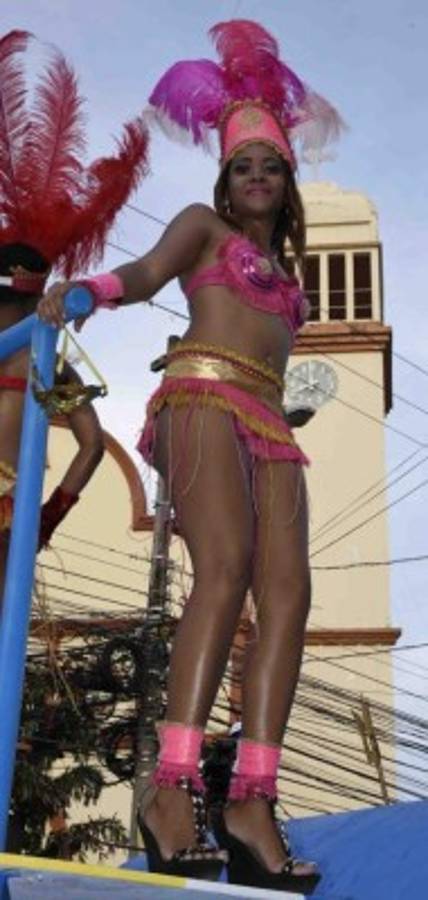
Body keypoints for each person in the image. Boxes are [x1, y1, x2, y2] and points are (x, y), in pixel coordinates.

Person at [38, 19, 344, 891]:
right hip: (202, 392)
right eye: (243, 164)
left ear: (287, 183)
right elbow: (140, 274)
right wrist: (89, 292)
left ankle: (251, 795)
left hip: (271, 421)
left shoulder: (292, 282)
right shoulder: (203, 227)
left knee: (290, 592)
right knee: (227, 567)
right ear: (224, 178)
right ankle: (170, 790)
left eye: (270, 165)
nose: (255, 176)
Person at [0, 30, 149, 602]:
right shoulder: (46, 360)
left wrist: (48, 516)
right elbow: (90, 446)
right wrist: (49, 515)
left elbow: (91, 445)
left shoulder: (47, 360)